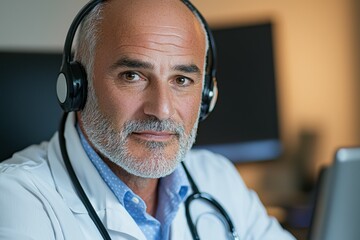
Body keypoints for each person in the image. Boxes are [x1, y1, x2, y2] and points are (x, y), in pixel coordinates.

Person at [0, 0, 295, 239]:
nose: (162, 109)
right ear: (77, 86)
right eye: (132, 76)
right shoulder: (15, 199)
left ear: (207, 95)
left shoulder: (218, 178)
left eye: (181, 79)